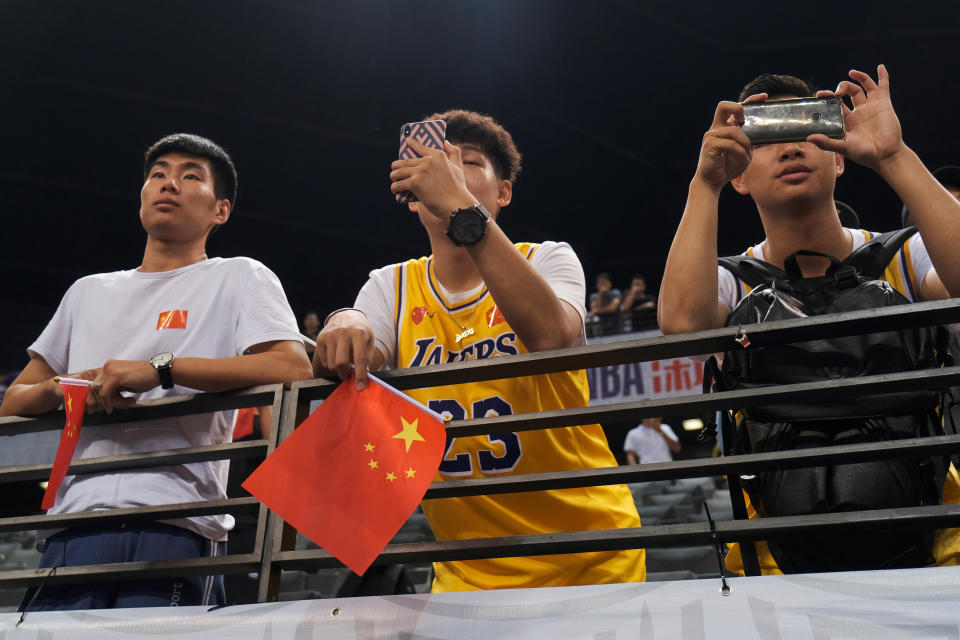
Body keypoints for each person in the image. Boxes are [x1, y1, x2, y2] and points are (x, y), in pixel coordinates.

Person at [314, 109, 645, 591]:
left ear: (503, 191)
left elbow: (552, 334)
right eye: (433, 159)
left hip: (592, 553)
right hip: (467, 570)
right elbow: (358, 357)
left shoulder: (549, 257)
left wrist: (460, 208)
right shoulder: (390, 285)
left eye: (465, 162)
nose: (446, 169)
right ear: (408, 194)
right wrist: (345, 320)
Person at [658, 65, 960, 575]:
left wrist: (893, 155)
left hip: (933, 544)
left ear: (839, 158)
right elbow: (683, 325)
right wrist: (703, 184)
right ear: (740, 175)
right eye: (768, 136)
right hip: (778, 559)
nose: (792, 148)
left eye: (805, 130)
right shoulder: (733, 281)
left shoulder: (905, 257)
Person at [0, 133, 313, 610]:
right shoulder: (88, 291)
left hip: (178, 521)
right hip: (73, 522)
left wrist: (160, 371)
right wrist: (64, 385)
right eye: (158, 174)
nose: (169, 183)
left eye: (190, 176)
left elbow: (291, 365)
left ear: (220, 211)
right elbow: (15, 400)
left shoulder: (239, 275)